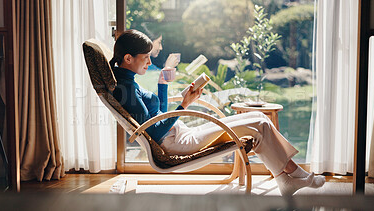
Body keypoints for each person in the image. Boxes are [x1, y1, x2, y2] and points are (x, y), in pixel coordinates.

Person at [109, 29, 325, 196]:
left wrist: (162, 83)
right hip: (177, 143)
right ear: (128, 58)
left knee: (260, 118)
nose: (149, 61)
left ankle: (286, 178)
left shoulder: (128, 82)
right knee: (258, 125)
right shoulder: (126, 88)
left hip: (178, 133)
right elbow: (154, 132)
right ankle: (292, 175)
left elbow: (155, 116)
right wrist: (184, 106)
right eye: (145, 56)